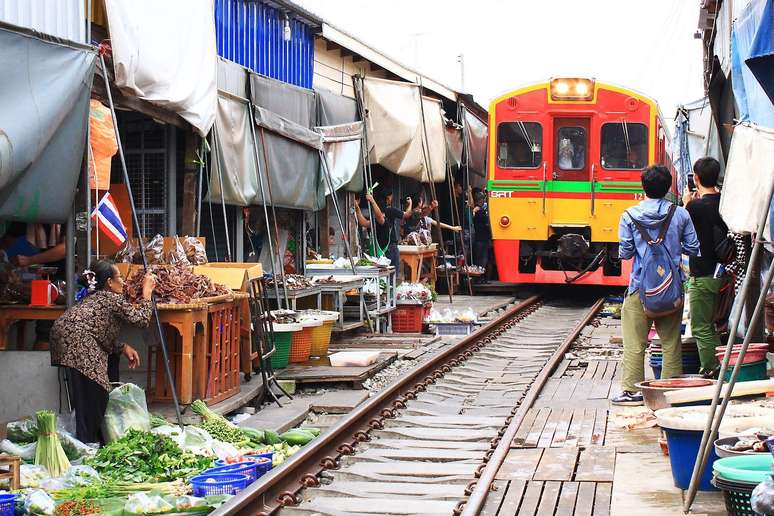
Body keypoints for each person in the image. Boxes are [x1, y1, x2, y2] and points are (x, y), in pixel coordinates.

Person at [612, 166, 700, 405]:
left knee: (635, 343)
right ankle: (671, 391)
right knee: (671, 341)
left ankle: (632, 391)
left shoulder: (629, 215)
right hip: (671, 289)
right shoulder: (680, 214)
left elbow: (626, 252)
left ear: (643, 187)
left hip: (640, 288)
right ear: (668, 187)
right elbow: (693, 248)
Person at [50, 260, 155, 443]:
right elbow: (141, 320)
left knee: (87, 395)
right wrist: (147, 293)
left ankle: (89, 441)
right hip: (79, 342)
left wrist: (122, 347)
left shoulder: (95, 297)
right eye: (120, 277)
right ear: (109, 282)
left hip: (66, 339)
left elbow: (99, 332)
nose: (123, 282)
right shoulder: (110, 298)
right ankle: (88, 444)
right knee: (95, 395)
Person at [682, 157, 727, 377]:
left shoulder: (695, 206)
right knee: (712, 325)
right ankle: (720, 364)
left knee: (701, 326)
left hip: (703, 274)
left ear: (696, 178)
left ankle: (712, 369)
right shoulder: (725, 201)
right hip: (723, 272)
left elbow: (680, 229)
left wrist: (685, 203)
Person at [353, 190, 412, 267]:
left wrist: (372, 201)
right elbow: (364, 223)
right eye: (390, 197)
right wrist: (357, 208)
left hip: (388, 250)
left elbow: (380, 218)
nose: (391, 199)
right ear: (386, 199)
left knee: (389, 276)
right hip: (382, 250)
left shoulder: (387, 213)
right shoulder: (379, 216)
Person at [472, 191, 492, 274]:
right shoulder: (481, 211)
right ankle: (481, 277)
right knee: (483, 259)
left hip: (477, 237)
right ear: (481, 200)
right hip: (482, 238)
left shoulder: (475, 210)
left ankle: (479, 277)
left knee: (478, 258)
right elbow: (487, 224)